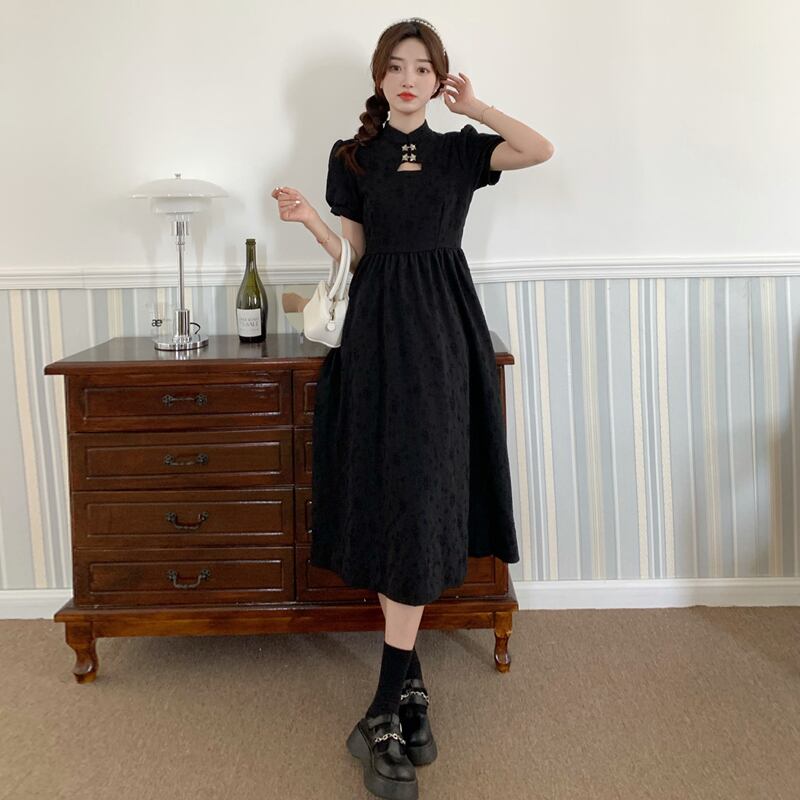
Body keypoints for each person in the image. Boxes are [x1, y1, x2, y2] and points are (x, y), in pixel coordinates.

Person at [271, 17, 554, 800]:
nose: (407, 79)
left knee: (426, 498)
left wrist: (478, 107)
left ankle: (382, 710)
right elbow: (356, 257)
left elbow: (539, 148)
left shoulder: (461, 150)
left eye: (422, 68)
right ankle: (409, 692)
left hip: (442, 337)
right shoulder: (351, 156)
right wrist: (312, 224)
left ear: (438, 79)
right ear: (379, 76)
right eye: (396, 66)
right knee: (391, 495)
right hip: (374, 335)